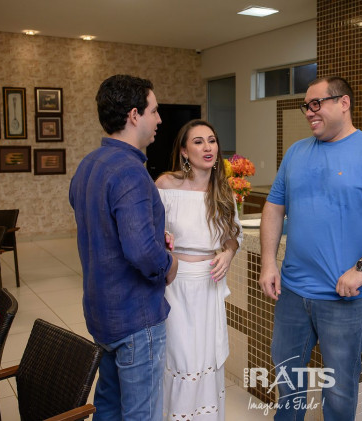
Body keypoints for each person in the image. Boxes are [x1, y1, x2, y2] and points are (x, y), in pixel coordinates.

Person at [259, 76, 362, 420]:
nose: (309, 112)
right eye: (306, 106)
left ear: (344, 103)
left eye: (316, 104)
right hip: (292, 292)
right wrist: (268, 263)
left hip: (344, 298)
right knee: (288, 380)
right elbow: (274, 207)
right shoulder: (296, 152)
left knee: (338, 390)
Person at [69, 74, 178, 420]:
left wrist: (150, 232)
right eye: (154, 111)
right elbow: (141, 253)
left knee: (109, 409)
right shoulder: (130, 172)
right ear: (134, 115)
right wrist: (168, 263)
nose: (159, 119)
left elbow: (105, 228)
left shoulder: (89, 164)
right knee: (140, 414)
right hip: (135, 319)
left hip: (102, 313)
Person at [155, 119, 242, 420]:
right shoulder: (166, 185)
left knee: (205, 357)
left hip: (209, 284)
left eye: (212, 140)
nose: (208, 147)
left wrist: (228, 254)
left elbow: (232, 238)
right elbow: (147, 231)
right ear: (184, 151)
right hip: (174, 284)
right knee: (181, 358)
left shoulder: (223, 191)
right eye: (198, 141)